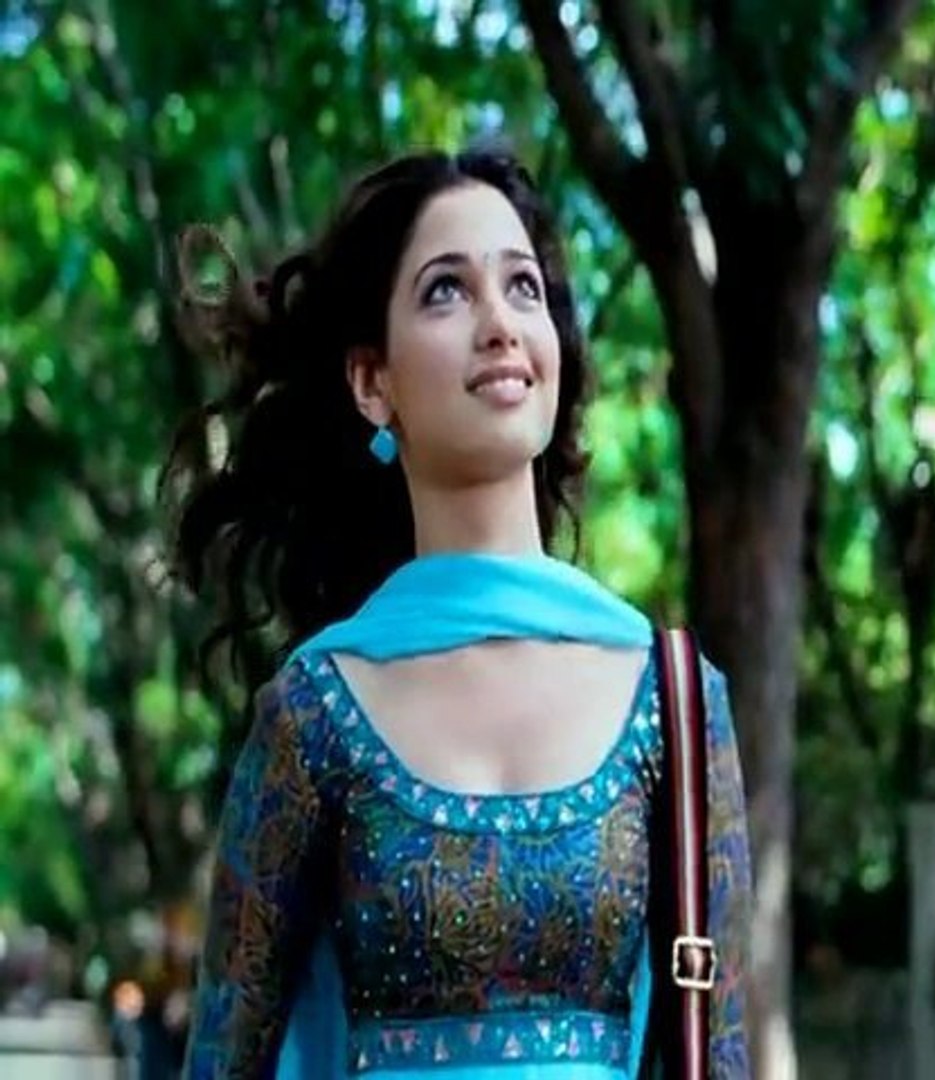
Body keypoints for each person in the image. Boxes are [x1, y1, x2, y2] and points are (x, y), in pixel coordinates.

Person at [162, 144, 752, 1079]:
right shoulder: (315, 715)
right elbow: (222, 1061)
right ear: (373, 382)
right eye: (446, 291)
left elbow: (721, 1056)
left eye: (523, 288)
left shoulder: (672, 701)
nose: (500, 324)